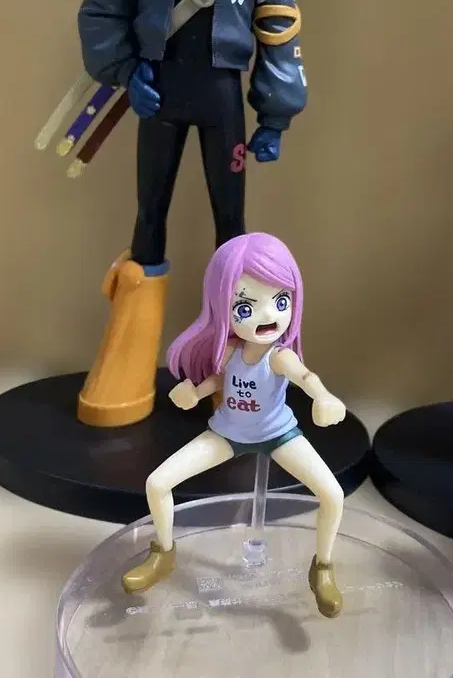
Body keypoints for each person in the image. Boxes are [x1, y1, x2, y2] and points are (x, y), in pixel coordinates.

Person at [75, 0, 306, 428]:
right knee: (148, 214)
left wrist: (275, 116)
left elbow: (280, 42)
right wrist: (126, 70)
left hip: (223, 100)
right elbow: (100, 12)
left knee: (232, 223)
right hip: (158, 96)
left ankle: (240, 369)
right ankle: (129, 359)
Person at [120, 233, 347, 619]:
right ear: (222, 307)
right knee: (157, 483)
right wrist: (194, 393)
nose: (268, 316)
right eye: (245, 306)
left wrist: (324, 398)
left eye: (281, 301)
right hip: (227, 433)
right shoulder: (230, 352)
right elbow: (219, 380)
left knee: (333, 495)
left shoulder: (280, 357)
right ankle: (163, 553)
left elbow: (306, 378)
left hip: (278, 435)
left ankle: (322, 568)